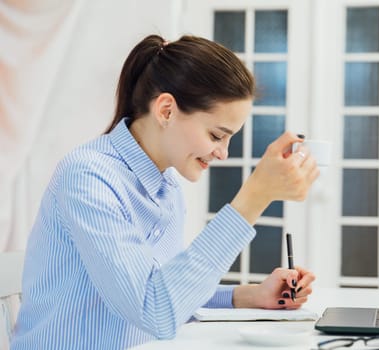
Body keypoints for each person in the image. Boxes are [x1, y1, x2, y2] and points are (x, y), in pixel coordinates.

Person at [11, 34, 319, 350]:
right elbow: (155, 309)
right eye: (216, 135)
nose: (223, 153)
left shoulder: (167, 187)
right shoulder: (88, 177)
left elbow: (165, 288)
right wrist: (254, 198)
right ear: (167, 110)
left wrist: (250, 295)